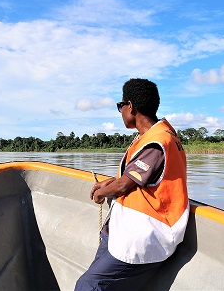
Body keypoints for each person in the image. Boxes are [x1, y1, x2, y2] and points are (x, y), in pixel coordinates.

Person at [75, 78, 189, 291]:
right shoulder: (149, 137)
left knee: (89, 285)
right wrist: (110, 182)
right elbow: (134, 177)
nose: (120, 112)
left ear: (131, 106)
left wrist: (102, 193)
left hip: (146, 235)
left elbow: (124, 186)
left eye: (120, 106)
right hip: (122, 230)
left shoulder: (157, 142)